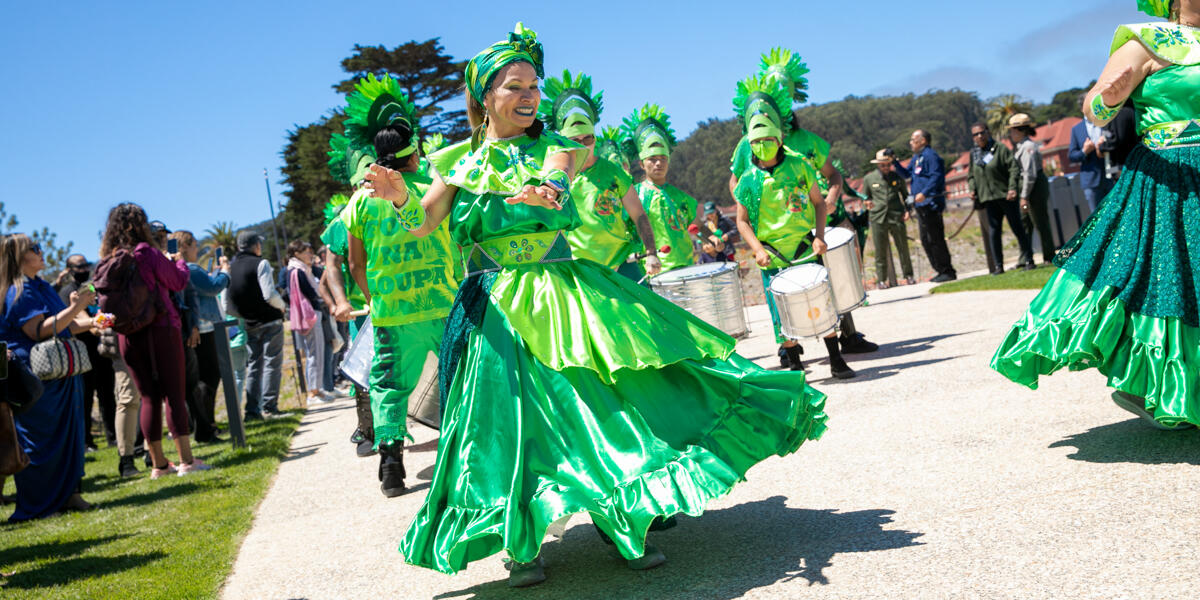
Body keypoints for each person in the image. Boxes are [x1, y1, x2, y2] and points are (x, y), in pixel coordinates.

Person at [365, 23, 827, 587]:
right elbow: (424, 223)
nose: (530, 97)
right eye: (515, 87)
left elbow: (556, 182)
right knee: (509, 427)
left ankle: (621, 523)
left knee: (602, 412)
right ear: (485, 97)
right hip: (496, 309)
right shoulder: (457, 161)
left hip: (563, 293)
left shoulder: (558, 148)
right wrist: (399, 199)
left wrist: (545, 191)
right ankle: (522, 541)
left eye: (534, 86)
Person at [993, 0, 1200, 429]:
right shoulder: (1148, 40)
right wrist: (1107, 99)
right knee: (1165, 280)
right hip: (1169, 177)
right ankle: (1151, 382)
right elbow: (1095, 110)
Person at [333, 74, 460, 496]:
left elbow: (354, 262)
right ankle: (462, 457)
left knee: (389, 387)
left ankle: (391, 465)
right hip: (443, 304)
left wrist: (374, 300)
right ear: (414, 153)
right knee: (458, 378)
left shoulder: (360, 202)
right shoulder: (434, 190)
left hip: (391, 312)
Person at [729, 73, 855, 379]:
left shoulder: (800, 164)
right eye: (756, 142)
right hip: (771, 254)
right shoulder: (748, 180)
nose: (762, 146)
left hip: (803, 246)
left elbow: (817, 203)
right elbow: (741, 221)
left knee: (821, 301)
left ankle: (836, 359)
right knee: (780, 312)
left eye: (768, 140)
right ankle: (796, 366)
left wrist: (819, 237)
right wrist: (757, 249)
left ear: (779, 137)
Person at [100, 204, 210, 478]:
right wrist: (177, 260)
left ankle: (159, 465)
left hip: (128, 335)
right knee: (174, 394)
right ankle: (186, 460)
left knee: (148, 397)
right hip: (161, 328)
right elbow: (178, 281)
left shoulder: (108, 258)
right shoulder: (146, 253)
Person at [1, 233, 94, 519]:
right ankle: (38, 505)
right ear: (18, 257)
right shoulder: (19, 291)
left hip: (59, 372)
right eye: (34, 249)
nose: (41, 252)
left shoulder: (40, 285)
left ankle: (69, 495)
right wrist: (77, 308)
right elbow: (38, 331)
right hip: (37, 377)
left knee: (69, 435)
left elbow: (63, 325)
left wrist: (91, 322)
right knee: (40, 441)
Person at [539, 70, 661, 280]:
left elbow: (639, 214)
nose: (584, 145)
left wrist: (651, 252)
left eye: (589, 139)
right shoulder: (556, 177)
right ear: (565, 142)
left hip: (623, 264)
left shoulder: (613, 173)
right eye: (576, 141)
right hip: (582, 270)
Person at [317, 193, 375, 457]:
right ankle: (367, 428)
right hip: (364, 312)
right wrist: (339, 301)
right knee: (364, 370)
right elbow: (332, 265)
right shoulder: (346, 218)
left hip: (406, 301)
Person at [622, 104, 700, 274]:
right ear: (642, 164)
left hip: (687, 266)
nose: (658, 163)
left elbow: (695, 224)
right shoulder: (634, 196)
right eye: (652, 159)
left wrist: (711, 238)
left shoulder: (679, 196)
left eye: (663, 158)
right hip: (656, 271)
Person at [56, 253, 116, 451]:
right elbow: (85, 321)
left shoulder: (90, 288)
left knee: (108, 395)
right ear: (70, 270)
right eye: (79, 266)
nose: (84, 270)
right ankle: (86, 441)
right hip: (82, 353)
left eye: (86, 265)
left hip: (102, 351)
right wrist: (100, 323)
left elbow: (98, 308)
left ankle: (113, 437)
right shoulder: (67, 292)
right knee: (85, 398)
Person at [174, 230, 229, 443]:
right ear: (185, 247)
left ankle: (204, 425)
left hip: (193, 327)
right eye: (195, 246)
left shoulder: (180, 269)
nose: (197, 250)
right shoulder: (191, 268)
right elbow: (213, 288)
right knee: (210, 377)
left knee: (199, 379)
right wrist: (224, 272)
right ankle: (207, 427)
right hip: (204, 328)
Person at [228, 230, 286, 420]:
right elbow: (269, 294)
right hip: (270, 320)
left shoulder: (231, 268)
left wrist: (244, 315)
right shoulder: (261, 263)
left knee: (254, 366)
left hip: (249, 323)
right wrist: (282, 306)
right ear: (256, 245)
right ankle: (270, 407)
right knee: (272, 363)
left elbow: (227, 305)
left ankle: (252, 411)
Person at [892, 129, 956, 282]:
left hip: (931, 203)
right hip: (920, 206)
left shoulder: (930, 156)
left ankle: (947, 270)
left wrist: (925, 193)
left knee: (935, 238)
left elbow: (937, 176)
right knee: (926, 240)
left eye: (913, 140)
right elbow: (907, 174)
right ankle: (940, 270)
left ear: (923, 141)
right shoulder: (917, 157)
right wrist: (894, 162)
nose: (910, 142)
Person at [967, 124, 1032, 274]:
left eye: (982, 133)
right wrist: (972, 188)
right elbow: (971, 175)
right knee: (994, 232)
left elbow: (1014, 168)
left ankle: (1029, 260)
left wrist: (1011, 188)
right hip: (988, 199)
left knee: (1017, 228)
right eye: (975, 134)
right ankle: (998, 266)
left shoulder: (999, 148)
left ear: (988, 132)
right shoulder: (974, 154)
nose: (979, 136)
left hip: (1005, 196)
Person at [283, 240, 335, 406]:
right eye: (306, 252)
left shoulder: (300, 268)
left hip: (310, 314)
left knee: (316, 352)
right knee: (314, 353)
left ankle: (316, 389)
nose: (309, 255)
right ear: (296, 253)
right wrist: (319, 296)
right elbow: (310, 292)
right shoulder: (297, 270)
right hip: (310, 314)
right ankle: (313, 392)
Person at [1007, 113, 1056, 266]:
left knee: (1040, 221)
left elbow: (1029, 174)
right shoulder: (1020, 147)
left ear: (1021, 130)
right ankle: (1026, 258)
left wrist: (1024, 196)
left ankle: (1049, 256)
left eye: (1013, 130)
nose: (1011, 134)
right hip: (1028, 186)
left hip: (1035, 187)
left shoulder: (1028, 147)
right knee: (1025, 223)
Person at [861, 149, 915, 287]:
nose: (886, 168)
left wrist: (908, 210)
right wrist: (866, 203)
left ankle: (908, 275)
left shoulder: (897, 177)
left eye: (888, 165)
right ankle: (881, 280)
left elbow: (906, 195)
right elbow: (865, 197)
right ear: (878, 165)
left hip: (897, 216)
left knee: (903, 247)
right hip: (878, 217)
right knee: (880, 250)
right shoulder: (869, 179)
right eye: (882, 165)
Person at [1068, 104, 1116, 212]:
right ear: (1082, 109)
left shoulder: (1105, 122)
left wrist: (1106, 145)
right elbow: (1071, 156)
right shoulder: (1076, 129)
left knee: (1117, 212)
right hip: (1091, 181)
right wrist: (1084, 151)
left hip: (1111, 176)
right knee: (1097, 217)